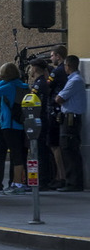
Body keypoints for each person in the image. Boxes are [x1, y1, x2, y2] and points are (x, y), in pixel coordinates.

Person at [0, 62, 30, 194]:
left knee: (13, 156)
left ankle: (17, 184)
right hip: (20, 124)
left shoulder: (8, 86)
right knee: (19, 154)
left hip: (8, 124)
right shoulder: (23, 86)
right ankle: (17, 181)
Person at [54, 55, 85, 192]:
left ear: (68, 66)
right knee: (68, 149)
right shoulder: (73, 80)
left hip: (71, 119)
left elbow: (59, 98)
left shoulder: (75, 81)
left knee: (69, 149)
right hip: (69, 117)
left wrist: (59, 97)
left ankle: (73, 182)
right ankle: (72, 180)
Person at [28, 58, 52, 189]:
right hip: (43, 119)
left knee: (40, 151)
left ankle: (42, 180)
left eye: (31, 68)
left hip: (40, 120)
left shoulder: (39, 84)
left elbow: (35, 104)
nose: (30, 70)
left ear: (35, 68)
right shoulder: (43, 82)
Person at [47, 46, 68, 189]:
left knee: (55, 145)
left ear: (58, 56)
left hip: (55, 111)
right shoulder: (66, 72)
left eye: (52, 55)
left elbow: (48, 86)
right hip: (61, 111)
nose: (51, 58)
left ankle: (60, 176)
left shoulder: (57, 72)